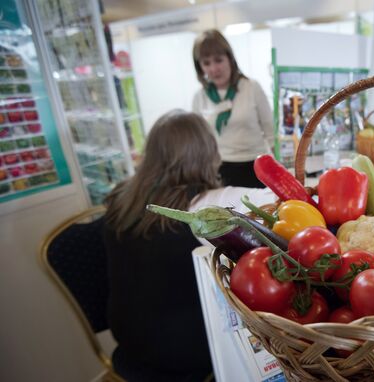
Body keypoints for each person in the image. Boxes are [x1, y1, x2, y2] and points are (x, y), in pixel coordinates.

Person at [103, 110, 274, 381]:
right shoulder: (208, 203)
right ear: (209, 152)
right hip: (185, 355)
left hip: (129, 340)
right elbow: (282, 199)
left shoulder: (120, 198)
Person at [192, 29, 274, 188]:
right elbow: (199, 143)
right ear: (200, 67)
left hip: (256, 166)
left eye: (218, 60)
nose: (214, 68)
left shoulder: (251, 88)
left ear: (230, 58)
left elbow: (270, 131)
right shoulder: (199, 97)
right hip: (220, 170)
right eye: (206, 63)